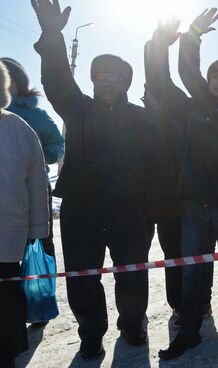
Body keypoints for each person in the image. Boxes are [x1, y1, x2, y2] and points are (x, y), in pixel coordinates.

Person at [31, 0, 157, 359]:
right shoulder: (78, 107)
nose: (108, 82)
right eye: (101, 76)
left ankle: (133, 324)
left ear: (125, 84)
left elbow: (155, 160)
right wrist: (52, 36)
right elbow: (56, 79)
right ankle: (91, 332)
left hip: (129, 211)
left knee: (132, 274)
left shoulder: (140, 118)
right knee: (83, 276)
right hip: (81, 208)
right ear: (92, 81)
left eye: (116, 78)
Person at [145, 14, 218, 362]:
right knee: (191, 271)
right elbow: (165, 79)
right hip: (193, 208)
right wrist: (185, 38)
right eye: (215, 76)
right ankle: (189, 332)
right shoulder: (193, 107)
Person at [1, 57, 64, 329]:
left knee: (38, 244)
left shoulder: (34, 115)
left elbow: (57, 145)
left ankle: (38, 303)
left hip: (34, 190)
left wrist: (39, 160)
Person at [0, 59, 49, 368]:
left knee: (6, 295)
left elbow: (36, 182)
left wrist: (38, 231)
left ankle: (8, 353)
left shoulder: (19, 128)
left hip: (7, 231)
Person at [141, 86, 184, 319]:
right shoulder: (136, 122)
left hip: (171, 204)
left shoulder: (174, 125)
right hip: (142, 203)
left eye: (151, 97)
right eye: (145, 98)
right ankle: (136, 313)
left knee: (174, 257)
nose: (148, 102)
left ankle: (177, 304)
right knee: (136, 260)